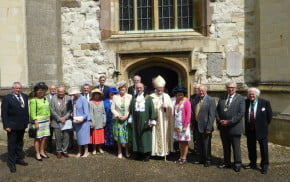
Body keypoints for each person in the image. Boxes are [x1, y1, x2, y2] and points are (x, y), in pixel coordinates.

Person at [216, 82, 245, 172]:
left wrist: (229, 121)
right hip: (223, 127)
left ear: (236, 88)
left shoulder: (240, 99)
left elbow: (241, 113)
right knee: (226, 146)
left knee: (236, 147)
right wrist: (219, 120)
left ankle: (237, 163)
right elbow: (217, 110)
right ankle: (227, 163)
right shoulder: (222, 97)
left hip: (234, 127)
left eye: (232, 87)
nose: (230, 89)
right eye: (228, 87)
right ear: (226, 88)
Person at [1, 82, 29, 173]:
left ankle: (18, 159)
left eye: (20, 88)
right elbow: (4, 113)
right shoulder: (7, 98)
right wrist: (6, 126)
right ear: (12, 89)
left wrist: (26, 122)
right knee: (12, 145)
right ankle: (11, 163)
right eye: (16, 88)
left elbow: (26, 110)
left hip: (22, 125)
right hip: (12, 126)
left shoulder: (24, 96)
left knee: (20, 143)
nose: (18, 90)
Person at [244, 88, 272, 174]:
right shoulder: (246, 102)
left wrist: (263, 126)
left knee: (263, 149)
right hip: (250, 129)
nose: (251, 96)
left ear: (257, 95)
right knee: (251, 148)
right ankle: (252, 163)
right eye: (250, 94)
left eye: (253, 94)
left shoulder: (265, 102)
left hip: (261, 130)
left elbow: (269, 116)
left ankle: (264, 165)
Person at [129, 83, 156, 161]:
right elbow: (131, 109)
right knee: (136, 136)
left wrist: (152, 120)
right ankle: (139, 153)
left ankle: (147, 155)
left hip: (145, 120)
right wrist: (130, 118)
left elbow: (152, 109)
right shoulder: (134, 98)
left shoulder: (148, 98)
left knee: (145, 136)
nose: (139, 89)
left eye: (140, 88)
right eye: (137, 88)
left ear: (143, 88)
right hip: (135, 120)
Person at [150, 75, 174, 158]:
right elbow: (150, 108)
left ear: (163, 88)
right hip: (156, 120)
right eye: (158, 88)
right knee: (155, 135)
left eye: (161, 88)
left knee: (165, 135)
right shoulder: (151, 96)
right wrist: (157, 106)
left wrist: (166, 106)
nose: (160, 90)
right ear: (155, 88)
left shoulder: (166, 96)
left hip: (165, 120)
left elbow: (171, 109)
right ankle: (157, 152)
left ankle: (165, 151)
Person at [192, 85, 215, 167]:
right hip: (197, 126)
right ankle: (200, 159)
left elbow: (212, 115)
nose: (201, 92)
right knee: (199, 144)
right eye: (199, 90)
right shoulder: (196, 99)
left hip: (206, 127)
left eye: (202, 91)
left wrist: (209, 127)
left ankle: (208, 159)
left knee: (206, 144)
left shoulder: (211, 100)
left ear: (206, 91)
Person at [29, 82, 51, 161]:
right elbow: (32, 112)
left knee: (45, 138)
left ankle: (42, 151)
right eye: (39, 90)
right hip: (38, 121)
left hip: (45, 121)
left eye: (42, 90)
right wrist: (35, 121)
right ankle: (37, 153)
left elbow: (48, 109)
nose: (41, 91)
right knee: (38, 138)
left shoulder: (45, 98)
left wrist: (49, 118)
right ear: (36, 91)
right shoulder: (33, 100)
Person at [111, 81, 132, 159]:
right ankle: (119, 151)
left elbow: (131, 108)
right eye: (121, 89)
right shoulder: (115, 97)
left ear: (126, 89)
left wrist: (127, 116)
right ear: (119, 89)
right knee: (119, 136)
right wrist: (118, 115)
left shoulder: (130, 96)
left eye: (124, 88)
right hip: (117, 120)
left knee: (126, 136)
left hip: (126, 119)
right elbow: (112, 108)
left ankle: (126, 150)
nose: (122, 90)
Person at [50, 86, 73, 158]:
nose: (60, 93)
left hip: (66, 121)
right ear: (57, 91)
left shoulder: (68, 98)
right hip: (56, 121)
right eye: (59, 92)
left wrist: (65, 118)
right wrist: (59, 118)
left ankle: (64, 150)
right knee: (58, 137)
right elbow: (52, 110)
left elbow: (70, 109)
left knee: (66, 136)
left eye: (62, 92)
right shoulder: (53, 98)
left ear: (64, 92)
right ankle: (59, 151)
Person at [68, 86, 90, 158]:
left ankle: (86, 152)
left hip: (83, 122)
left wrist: (82, 119)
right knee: (78, 137)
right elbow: (74, 109)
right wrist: (72, 114)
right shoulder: (74, 100)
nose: (73, 95)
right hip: (76, 121)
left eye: (74, 94)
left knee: (84, 137)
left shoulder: (83, 99)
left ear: (77, 93)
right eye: (72, 94)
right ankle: (80, 151)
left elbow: (86, 113)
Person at [173, 86, 191, 165]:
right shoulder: (176, 102)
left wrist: (186, 125)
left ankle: (184, 157)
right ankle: (181, 156)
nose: (179, 96)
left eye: (181, 94)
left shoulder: (186, 102)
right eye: (178, 94)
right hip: (177, 125)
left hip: (184, 125)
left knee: (184, 141)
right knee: (180, 141)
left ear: (183, 94)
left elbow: (188, 114)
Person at [89, 89, 106, 154]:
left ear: (99, 95)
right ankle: (94, 149)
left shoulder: (102, 102)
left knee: (100, 136)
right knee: (94, 136)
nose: (96, 96)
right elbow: (90, 113)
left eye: (98, 95)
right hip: (94, 122)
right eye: (95, 95)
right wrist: (92, 122)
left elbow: (104, 112)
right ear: (93, 95)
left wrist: (104, 121)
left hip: (101, 121)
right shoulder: (90, 102)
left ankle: (100, 148)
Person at [190, 83, 201, 155]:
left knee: (201, 135)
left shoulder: (202, 96)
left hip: (201, 120)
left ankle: (201, 149)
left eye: (198, 89)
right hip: (194, 119)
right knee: (195, 135)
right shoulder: (192, 97)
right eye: (195, 89)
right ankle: (196, 149)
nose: (196, 90)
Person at [46, 84, 57, 153]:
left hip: (56, 119)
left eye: (54, 89)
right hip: (48, 119)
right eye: (52, 89)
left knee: (57, 134)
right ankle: (49, 148)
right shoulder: (45, 97)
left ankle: (57, 148)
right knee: (49, 134)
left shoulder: (58, 97)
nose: (53, 90)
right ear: (49, 90)